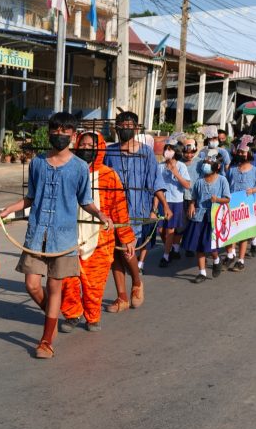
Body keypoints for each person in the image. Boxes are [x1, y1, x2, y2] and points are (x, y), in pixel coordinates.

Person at [0, 112, 112, 359]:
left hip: (63, 238)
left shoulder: (80, 167)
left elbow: (85, 200)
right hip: (37, 234)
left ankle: (46, 340)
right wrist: (8, 210)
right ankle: (53, 315)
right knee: (31, 284)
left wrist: (101, 214)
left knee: (54, 286)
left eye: (65, 131)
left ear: (73, 135)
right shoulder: (37, 163)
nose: (59, 135)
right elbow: (30, 198)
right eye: (55, 130)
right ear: (49, 132)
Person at [59, 131, 136, 332]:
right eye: (82, 145)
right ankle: (72, 314)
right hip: (69, 235)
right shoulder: (68, 170)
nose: (85, 149)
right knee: (67, 279)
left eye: (90, 145)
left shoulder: (109, 176)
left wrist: (127, 238)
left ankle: (92, 317)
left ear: (100, 148)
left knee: (94, 282)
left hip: (100, 238)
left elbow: (119, 209)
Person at [104, 111, 159, 311]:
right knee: (115, 254)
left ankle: (136, 281)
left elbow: (155, 181)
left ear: (136, 128)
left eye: (130, 125)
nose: (125, 128)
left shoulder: (146, 152)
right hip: (112, 210)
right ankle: (122, 297)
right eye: (122, 125)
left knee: (127, 250)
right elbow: (102, 178)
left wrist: (157, 207)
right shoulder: (109, 152)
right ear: (116, 128)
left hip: (137, 209)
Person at [183, 151, 231, 283]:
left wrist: (218, 200)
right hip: (199, 217)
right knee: (199, 245)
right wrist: (191, 205)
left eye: (209, 163)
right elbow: (194, 197)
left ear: (217, 166)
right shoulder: (199, 181)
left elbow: (227, 198)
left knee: (210, 245)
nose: (206, 165)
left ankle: (216, 260)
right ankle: (202, 272)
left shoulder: (222, 180)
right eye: (205, 162)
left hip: (214, 218)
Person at [224, 138, 256, 272]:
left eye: (244, 152)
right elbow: (226, 185)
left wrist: (253, 190)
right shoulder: (232, 170)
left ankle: (240, 260)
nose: (241, 154)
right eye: (240, 152)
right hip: (232, 206)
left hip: (247, 208)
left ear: (250, 154)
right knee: (230, 232)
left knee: (243, 234)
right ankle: (230, 254)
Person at [157, 141, 190, 267]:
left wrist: (176, 173)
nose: (167, 152)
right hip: (163, 201)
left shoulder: (181, 166)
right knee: (161, 229)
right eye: (166, 149)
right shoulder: (160, 166)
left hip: (176, 201)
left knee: (170, 229)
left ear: (175, 152)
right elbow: (156, 186)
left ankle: (166, 256)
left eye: (170, 149)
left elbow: (187, 185)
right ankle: (171, 248)